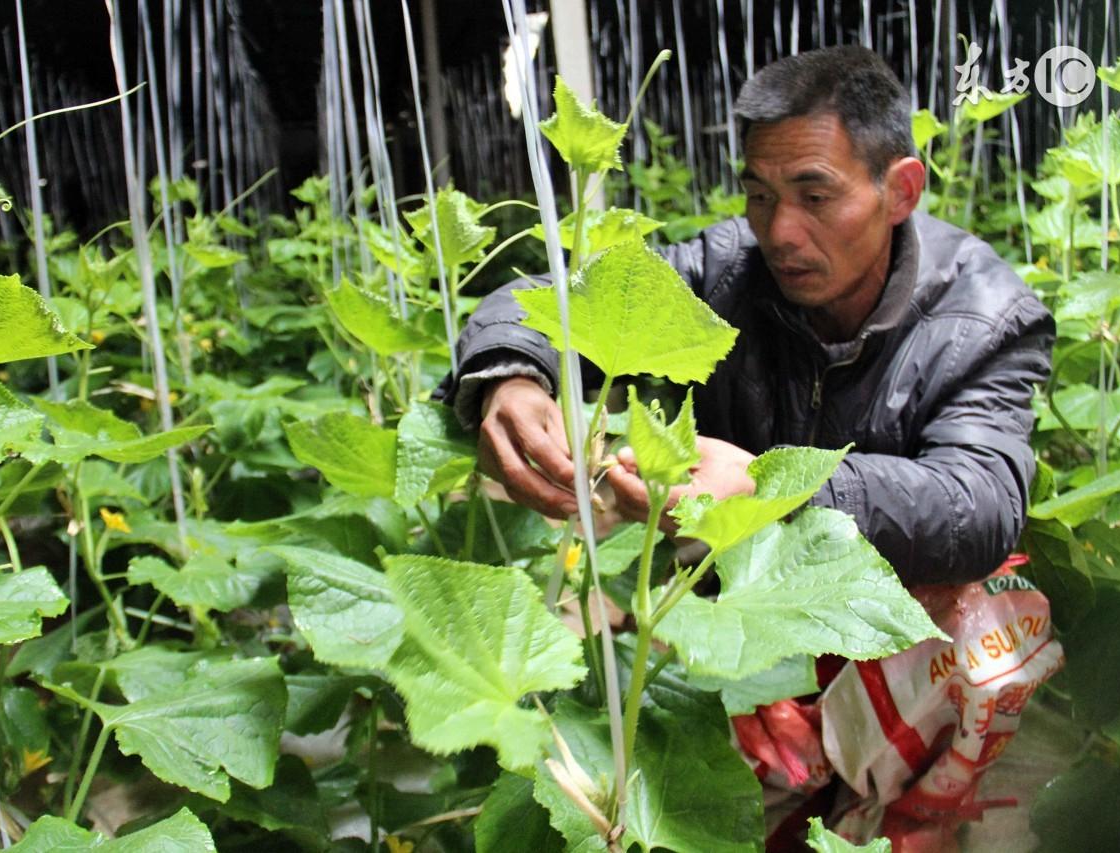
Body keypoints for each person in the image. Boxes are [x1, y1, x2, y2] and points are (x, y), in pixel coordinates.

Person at [444, 45, 1054, 589]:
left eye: (815, 197)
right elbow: (545, 299)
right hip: (729, 616)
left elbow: (979, 507)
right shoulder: (728, 268)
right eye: (760, 195)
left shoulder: (987, 316)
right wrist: (512, 374)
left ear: (902, 191)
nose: (781, 232)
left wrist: (781, 487)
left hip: (896, 643)